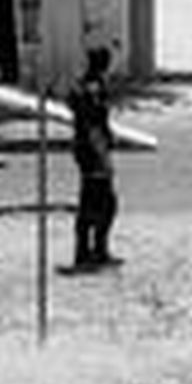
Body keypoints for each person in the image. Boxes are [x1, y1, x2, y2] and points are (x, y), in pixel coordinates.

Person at [65, 44, 120, 272]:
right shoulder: (93, 87)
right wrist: (100, 149)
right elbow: (92, 120)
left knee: (92, 201)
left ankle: (87, 250)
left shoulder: (83, 85)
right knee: (103, 203)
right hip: (93, 149)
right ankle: (94, 251)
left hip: (87, 148)